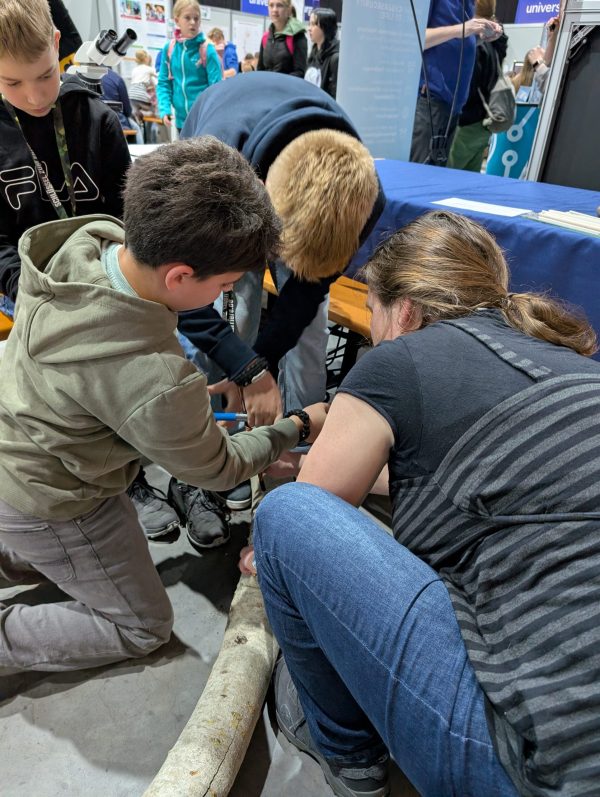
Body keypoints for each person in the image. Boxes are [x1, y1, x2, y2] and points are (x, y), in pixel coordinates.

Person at [250, 210, 600, 797]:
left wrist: (288, 497)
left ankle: (348, 753)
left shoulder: (398, 360)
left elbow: (317, 505)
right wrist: (315, 430)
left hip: (543, 766)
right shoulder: (568, 369)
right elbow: (458, 477)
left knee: (285, 521)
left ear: (403, 311)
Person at [0, 136, 327, 674]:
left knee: (35, 545)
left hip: (19, 445)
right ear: (179, 276)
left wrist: (164, 410)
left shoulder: (87, 246)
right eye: (224, 285)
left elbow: (102, 385)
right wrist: (296, 424)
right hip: (57, 498)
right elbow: (218, 468)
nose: (224, 293)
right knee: (142, 626)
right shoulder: (152, 379)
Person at [178, 72, 385, 543]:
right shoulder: (210, 173)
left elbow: (306, 296)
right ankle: (203, 461)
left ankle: (288, 448)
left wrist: (258, 364)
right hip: (229, 181)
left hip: (272, 186)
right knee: (239, 309)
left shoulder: (364, 196)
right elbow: (181, 299)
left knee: (309, 327)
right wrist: (248, 369)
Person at [0, 0, 131, 319]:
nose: (35, 96)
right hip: (28, 292)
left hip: (106, 282)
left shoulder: (99, 122)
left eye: (45, 75)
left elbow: (127, 218)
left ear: (56, 43)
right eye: (13, 83)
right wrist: (27, 290)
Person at [410, 0, 502, 166]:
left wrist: (482, 34)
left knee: (435, 176)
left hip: (454, 105)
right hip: (432, 98)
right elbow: (415, 37)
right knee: (419, 173)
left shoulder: (468, 4)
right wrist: (463, 29)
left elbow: (459, 39)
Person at [448, 0, 508, 172]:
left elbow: (468, 86)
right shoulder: (495, 42)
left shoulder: (476, 44)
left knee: (445, 178)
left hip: (466, 124)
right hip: (483, 124)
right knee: (466, 181)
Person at [156, 0, 221, 131]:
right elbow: (164, 82)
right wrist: (165, 109)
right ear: (177, 20)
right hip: (181, 122)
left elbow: (217, 88)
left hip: (204, 121)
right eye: (187, 17)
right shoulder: (170, 49)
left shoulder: (207, 50)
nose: (192, 22)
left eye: (196, 18)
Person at [257, 0, 307, 77]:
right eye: (271, 5)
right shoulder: (266, 37)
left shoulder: (297, 36)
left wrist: (277, 84)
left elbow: (299, 73)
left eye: (279, 5)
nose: (274, 10)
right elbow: (260, 69)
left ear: (288, 10)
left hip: (287, 88)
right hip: (267, 88)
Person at [100, 66, 143, 143]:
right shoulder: (116, 78)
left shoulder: (84, 76)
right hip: (118, 122)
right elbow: (127, 110)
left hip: (94, 123)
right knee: (136, 128)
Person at [305, 7, 339, 98]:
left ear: (325, 27)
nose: (309, 28)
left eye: (313, 24)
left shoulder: (335, 58)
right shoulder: (314, 52)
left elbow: (334, 96)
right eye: (309, 24)